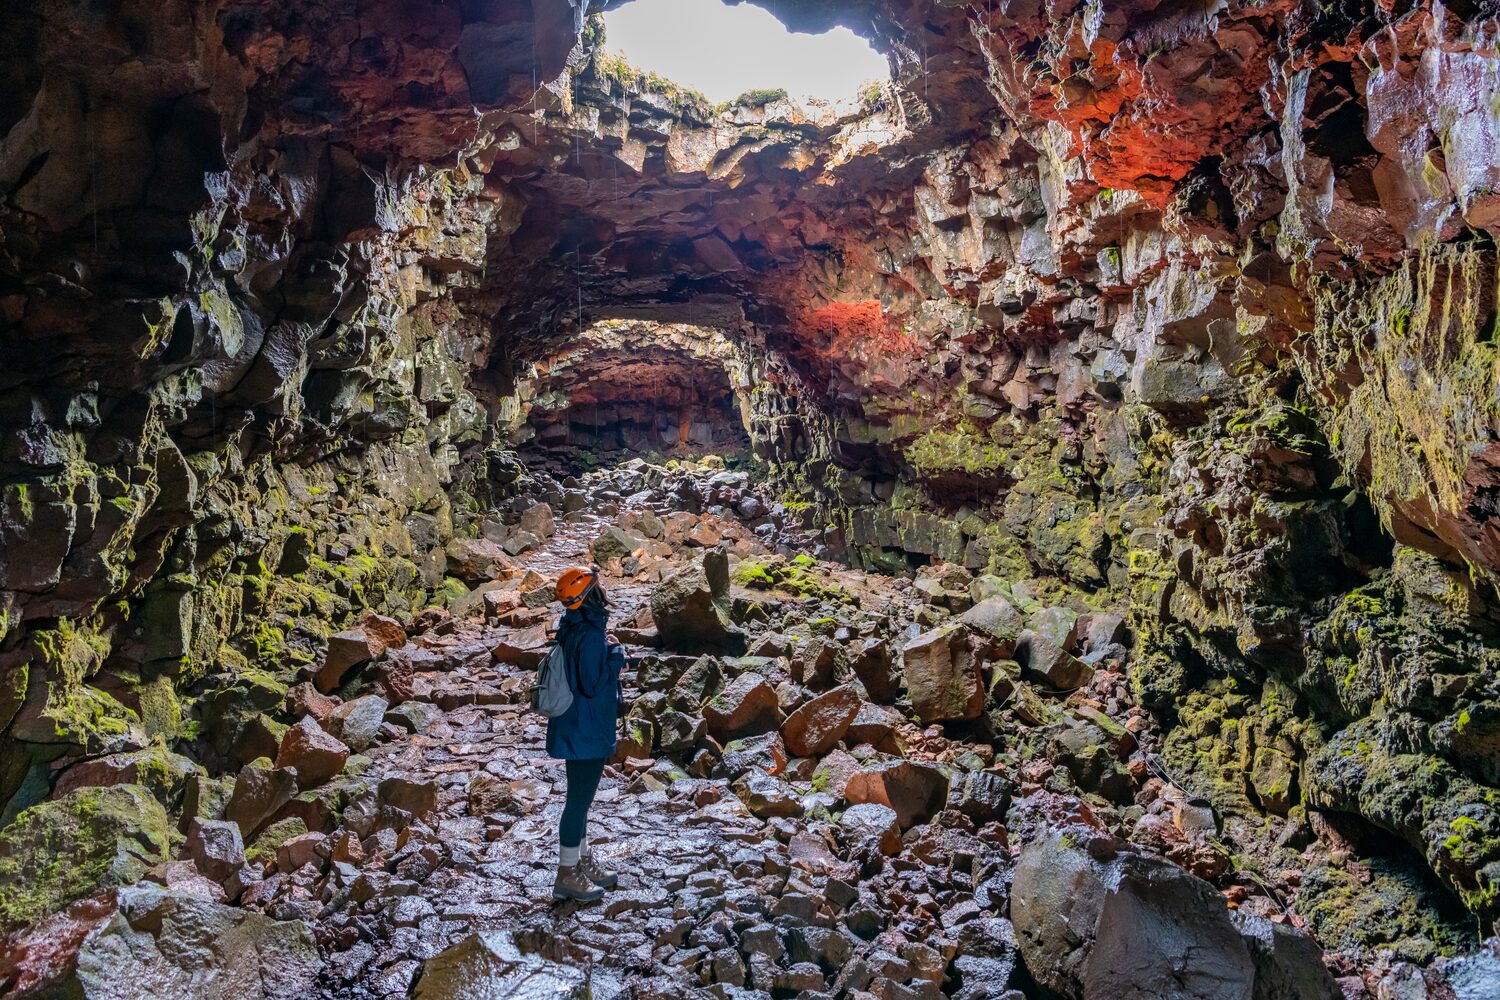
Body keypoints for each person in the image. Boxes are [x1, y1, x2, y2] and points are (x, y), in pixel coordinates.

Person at [548, 566, 627, 902]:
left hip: (573, 725)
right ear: (590, 595)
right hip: (587, 730)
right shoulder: (592, 636)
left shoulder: (572, 627)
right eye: (599, 585)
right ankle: (567, 875)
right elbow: (594, 684)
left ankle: (580, 862)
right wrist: (616, 654)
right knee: (578, 803)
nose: (604, 588)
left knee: (579, 802)